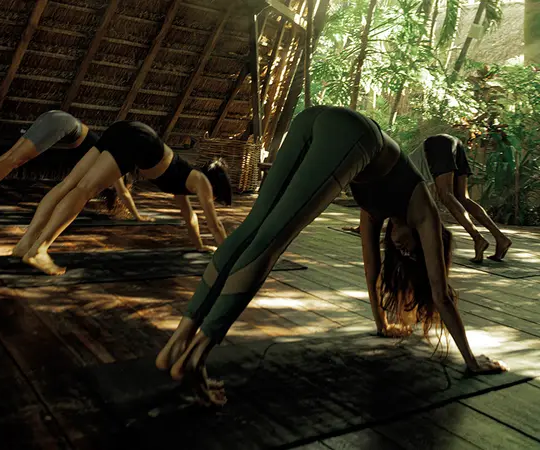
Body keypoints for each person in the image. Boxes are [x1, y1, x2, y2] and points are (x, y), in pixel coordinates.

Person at [155, 106, 508, 405]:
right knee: (270, 241)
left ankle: (177, 344)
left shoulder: (374, 214)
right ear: (425, 240)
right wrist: (471, 361)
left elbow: (372, 273)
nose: (401, 249)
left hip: (314, 119)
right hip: (354, 134)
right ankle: (196, 357)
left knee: (254, 229)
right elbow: (440, 293)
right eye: (409, 250)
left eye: (401, 254)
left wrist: (382, 325)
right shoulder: (425, 214)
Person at [12, 121, 232, 276]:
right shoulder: (201, 181)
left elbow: (189, 216)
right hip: (138, 141)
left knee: (69, 184)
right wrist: (228, 258)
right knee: (85, 189)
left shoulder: (185, 179)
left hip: (126, 130)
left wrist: (200, 246)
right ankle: (39, 249)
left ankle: (25, 244)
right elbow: (214, 224)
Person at [0, 110, 100, 220]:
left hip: (56, 117)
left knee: (8, 157)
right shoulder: (113, 160)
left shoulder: (106, 151)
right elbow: (121, 191)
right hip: (63, 125)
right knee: (14, 161)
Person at [423, 134, 512, 262]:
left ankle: (477, 238)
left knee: (446, 195)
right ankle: (500, 238)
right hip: (454, 142)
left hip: (437, 144)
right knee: (462, 197)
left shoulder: (405, 172)